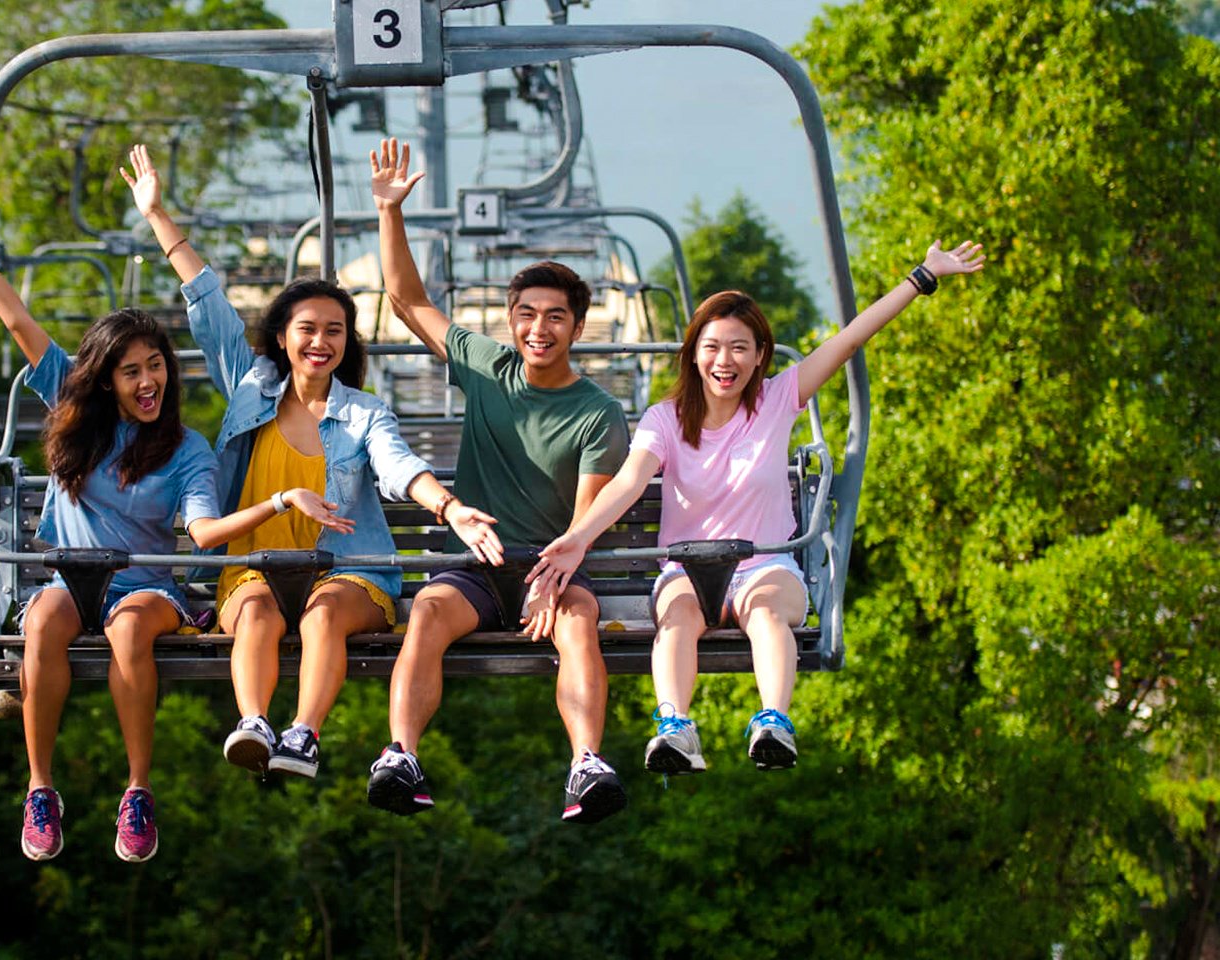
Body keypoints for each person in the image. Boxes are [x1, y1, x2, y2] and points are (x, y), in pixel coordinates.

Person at [0, 192, 345, 863]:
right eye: (131, 371)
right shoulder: (81, 420)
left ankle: (137, 791)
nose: (148, 382)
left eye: (156, 366)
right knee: (44, 621)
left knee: (131, 625)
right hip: (71, 576)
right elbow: (17, 320)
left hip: (145, 586)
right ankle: (40, 789)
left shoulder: (185, 448)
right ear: (106, 381)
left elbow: (203, 532)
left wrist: (278, 500)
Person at [530, 241, 987, 774]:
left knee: (767, 612)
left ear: (760, 356)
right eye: (713, 347)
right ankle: (676, 727)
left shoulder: (777, 400)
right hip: (687, 567)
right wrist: (579, 537)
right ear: (694, 353)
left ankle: (773, 722)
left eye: (740, 348)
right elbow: (630, 480)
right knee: (676, 620)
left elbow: (851, 339)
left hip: (766, 565)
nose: (725, 362)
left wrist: (921, 277)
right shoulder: (665, 419)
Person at [121, 144, 503, 780]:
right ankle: (254, 722)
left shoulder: (363, 413)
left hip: (347, 570)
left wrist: (449, 506)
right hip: (253, 564)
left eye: (334, 330)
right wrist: (158, 215)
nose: (321, 342)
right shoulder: (250, 389)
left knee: (324, 612)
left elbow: (397, 465)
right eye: (308, 329)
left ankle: (302, 735)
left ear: (346, 341)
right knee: (257, 613)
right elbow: (207, 304)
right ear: (281, 337)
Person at [364, 138, 632, 824]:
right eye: (527, 314)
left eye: (554, 317)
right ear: (511, 320)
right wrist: (391, 212)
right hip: (478, 570)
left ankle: (586, 763)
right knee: (424, 612)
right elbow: (406, 299)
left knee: (579, 626)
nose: (538, 329)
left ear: (577, 325)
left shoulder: (598, 412)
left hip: (556, 568)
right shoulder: (485, 365)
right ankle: (401, 754)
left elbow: (584, 522)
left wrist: (552, 575)